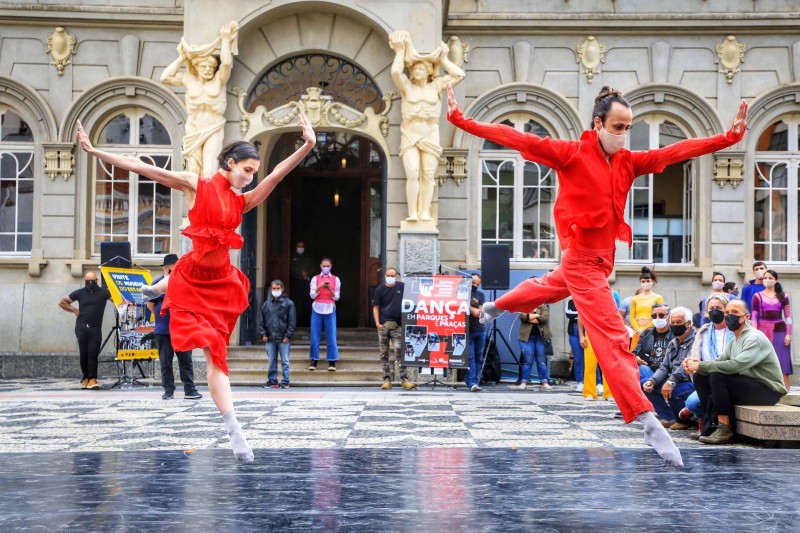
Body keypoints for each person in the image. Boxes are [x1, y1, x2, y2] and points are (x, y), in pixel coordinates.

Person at [447, 80, 748, 466]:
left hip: (600, 261)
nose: (624, 134)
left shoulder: (628, 162)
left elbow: (675, 151)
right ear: (598, 124)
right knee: (612, 337)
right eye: (618, 127)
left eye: (628, 128)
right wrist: (462, 120)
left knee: (547, 286)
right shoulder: (571, 153)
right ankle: (646, 419)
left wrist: (726, 138)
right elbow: (516, 138)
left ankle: (494, 307)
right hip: (582, 260)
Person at [77, 111, 316, 463]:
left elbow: (277, 175)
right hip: (193, 277)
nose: (250, 177)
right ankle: (161, 288)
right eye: (247, 170)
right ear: (230, 162)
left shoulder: (242, 200)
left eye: (253, 172)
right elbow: (144, 168)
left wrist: (307, 145)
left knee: (217, 356)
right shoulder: (196, 185)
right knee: (197, 315)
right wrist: (95, 151)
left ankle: (233, 428)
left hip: (221, 283)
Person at [684, 299, 788, 445]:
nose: (729, 316)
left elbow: (736, 365)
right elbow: (719, 361)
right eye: (727, 312)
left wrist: (700, 365)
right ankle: (711, 425)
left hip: (768, 390)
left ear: (746, 317)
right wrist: (695, 365)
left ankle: (725, 429)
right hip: (749, 386)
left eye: (734, 312)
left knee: (717, 376)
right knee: (701, 376)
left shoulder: (754, 337)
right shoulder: (735, 340)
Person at [389, 30, 465, 222]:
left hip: (430, 135)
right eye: (415, 68)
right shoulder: (407, 87)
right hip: (410, 135)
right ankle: (413, 213)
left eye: (421, 68)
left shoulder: (436, 86)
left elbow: (459, 75)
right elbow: (396, 72)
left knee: (429, 175)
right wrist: (400, 51)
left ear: (429, 70)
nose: (417, 71)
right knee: (413, 173)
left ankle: (424, 212)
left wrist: (444, 59)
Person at [160, 21, 238, 177]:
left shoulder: (219, 80)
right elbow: (165, 78)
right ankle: (195, 195)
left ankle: (207, 194)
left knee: (209, 170)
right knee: (193, 171)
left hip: (213, 128)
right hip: (193, 130)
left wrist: (225, 40)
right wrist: (181, 58)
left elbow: (226, 64)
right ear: (196, 67)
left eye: (211, 67)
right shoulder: (188, 79)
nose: (208, 69)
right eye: (204, 66)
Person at [146, 254, 202, 400]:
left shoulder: (186, 282)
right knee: (165, 362)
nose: (175, 269)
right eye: (172, 267)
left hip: (183, 329)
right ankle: (168, 390)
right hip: (163, 330)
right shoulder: (157, 283)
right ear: (165, 268)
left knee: (186, 361)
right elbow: (150, 305)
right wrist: (162, 316)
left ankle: (190, 389)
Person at [683, 293, 734, 439]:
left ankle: (715, 426)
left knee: (701, 398)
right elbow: (696, 357)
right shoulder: (703, 331)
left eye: (719, 308)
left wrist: (701, 365)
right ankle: (707, 423)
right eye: (711, 308)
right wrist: (689, 363)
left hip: (727, 377)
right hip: (705, 379)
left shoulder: (734, 330)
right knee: (692, 402)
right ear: (706, 311)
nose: (715, 311)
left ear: (726, 310)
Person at [641, 307, 696, 430]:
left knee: (673, 390)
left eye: (678, 322)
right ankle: (670, 417)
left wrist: (671, 381)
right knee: (645, 384)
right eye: (673, 322)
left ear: (688, 324)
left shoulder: (695, 340)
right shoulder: (673, 342)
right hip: (675, 380)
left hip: (691, 382)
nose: (675, 325)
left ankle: (684, 420)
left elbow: (686, 366)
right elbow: (664, 366)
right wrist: (652, 381)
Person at [59, 271, 112, 390]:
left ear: (97, 281)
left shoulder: (104, 292)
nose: (91, 284)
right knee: (84, 353)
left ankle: (93, 378)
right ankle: (86, 378)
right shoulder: (80, 292)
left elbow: (116, 299)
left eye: (93, 281)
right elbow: (62, 302)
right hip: (81, 327)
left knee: (93, 353)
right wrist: (74, 310)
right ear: (85, 282)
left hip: (95, 327)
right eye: (88, 282)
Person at [373, 267, 414, 390]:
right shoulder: (379, 289)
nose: (390, 278)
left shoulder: (401, 286)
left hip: (397, 326)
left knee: (400, 351)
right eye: (388, 275)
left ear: (396, 276)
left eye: (392, 275)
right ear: (385, 276)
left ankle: (404, 379)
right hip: (384, 325)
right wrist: (377, 323)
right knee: (383, 353)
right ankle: (386, 379)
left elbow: (413, 293)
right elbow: (376, 307)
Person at [751, 269, 793, 390]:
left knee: (783, 359)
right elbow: (754, 317)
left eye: (770, 278)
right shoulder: (757, 296)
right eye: (765, 278)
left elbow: (788, 317)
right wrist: (754, 333)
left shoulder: (783, 296)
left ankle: (786, 388)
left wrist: (788, 334)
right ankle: (765, 387)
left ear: (776, 280)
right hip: (762, 331)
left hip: (780, 330)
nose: (767, 280)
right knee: (763, 358)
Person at [258, 280, 296, 389]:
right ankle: (272, 381)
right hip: (270, 338)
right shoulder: (266, 304)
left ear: (282, 289)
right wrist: (263, 334)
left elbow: (292, 322)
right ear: (271, 289)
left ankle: (285, 381)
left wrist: (288, 336)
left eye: (278, 288)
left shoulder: (289, 304)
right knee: (272, 361)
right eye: (274, 288)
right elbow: (262, 321)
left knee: (285, 361)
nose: (276, 290)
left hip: (283, 338)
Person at [309, 258, 340, 371]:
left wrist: (330, 289)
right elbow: (312, 295)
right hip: (317, 307)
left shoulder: (336, 279)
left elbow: (336, 297)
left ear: (331, 266)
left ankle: (332, 361)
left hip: (330, 308)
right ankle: (314, 359)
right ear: (320, 266)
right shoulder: (315, 278)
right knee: (314, 336)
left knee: (331, 335)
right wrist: (319, 286)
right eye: (324, 266)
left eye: (328, 266)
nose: (326, 268)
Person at [634, 302, 674, 386]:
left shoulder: (676, 333)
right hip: (649, 370)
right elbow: (634, 352)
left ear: (669, 317)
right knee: (640, 369)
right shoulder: (647, 333)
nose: (657, 318)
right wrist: (636, 358)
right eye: (654, 316)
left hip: (669, 374)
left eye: (661, 315)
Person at [515, 304, 552, 390]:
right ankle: (524, 381)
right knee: (527, 361)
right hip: (526, 338)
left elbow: (545, 318)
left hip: (541, 338)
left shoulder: (543, 306)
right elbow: (522, 316)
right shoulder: (524, 305)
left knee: (541, 361)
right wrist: (537, 316)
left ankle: (544, 382)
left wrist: (529, 318)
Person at [629, 267, 664, 350]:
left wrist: (644, 329)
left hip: (651, 331)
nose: (645, 283)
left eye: (648, 281)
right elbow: (631, 317)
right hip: (637, 332)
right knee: (634, 353)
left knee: (650, 352)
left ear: (653, 282)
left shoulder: (658, 298)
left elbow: (659, 317)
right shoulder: (635, 298)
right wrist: (637, 329)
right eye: (643, 281)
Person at [466, 274, 486, 392]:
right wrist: (473, 308)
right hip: (468, 330)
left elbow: (479, 312)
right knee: (470, 357)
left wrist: (470, 307)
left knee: (479, 356)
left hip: (480, 329)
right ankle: (471, 382)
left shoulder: (481, 295)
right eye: (473, 283)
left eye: (478, 284)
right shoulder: (463, 293)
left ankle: (475, 380)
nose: (475, 285)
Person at [290, 240, 314, 327]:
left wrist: (307, 273)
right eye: (299, 246)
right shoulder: (292, 257)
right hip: (296, 282)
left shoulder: (307, 257)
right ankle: (295, 323)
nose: (300, 248)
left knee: (306, 303)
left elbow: (313, 269)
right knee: (296, 303)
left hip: (305, 282)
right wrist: (301, 273)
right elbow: (290, 268)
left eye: (302, 246)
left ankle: (307, 324)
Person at [565, 298, 585, 392]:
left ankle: (597, 382)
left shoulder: (589, 299)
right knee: (578, 359)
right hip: (574, 330)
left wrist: (577, 314)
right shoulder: (571, 301)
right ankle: (580, 382)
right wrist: (582, 314)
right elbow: (568, 314)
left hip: (588, 330)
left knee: (591, 358)